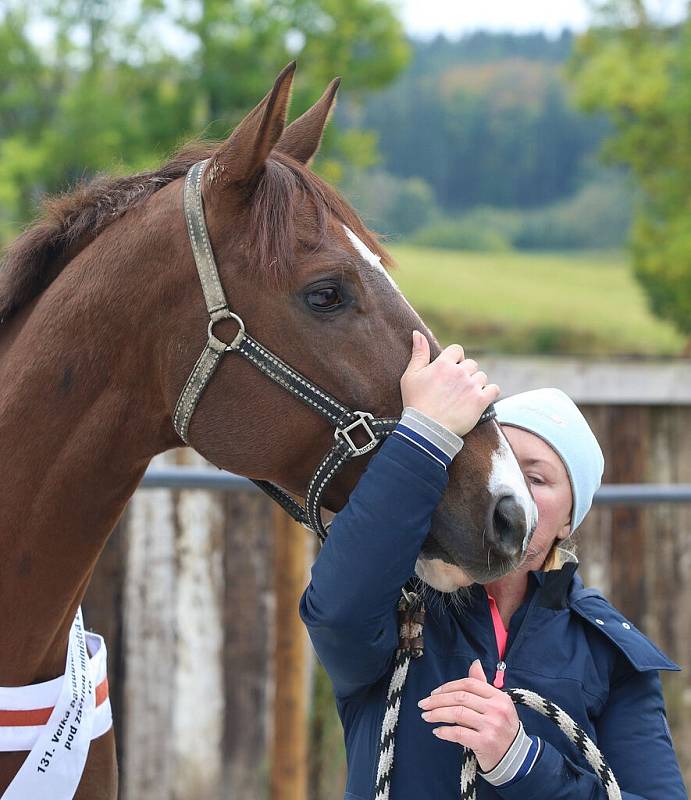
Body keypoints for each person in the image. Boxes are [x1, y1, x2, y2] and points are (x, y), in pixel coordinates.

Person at [299, 331, 687, 799]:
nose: (513, 491)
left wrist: (522, 762)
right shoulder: (391, 611)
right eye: (498, 469)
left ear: (569, 519)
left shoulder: (611, 657)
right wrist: (422, 436)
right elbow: (336, 612)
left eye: (537, 478)